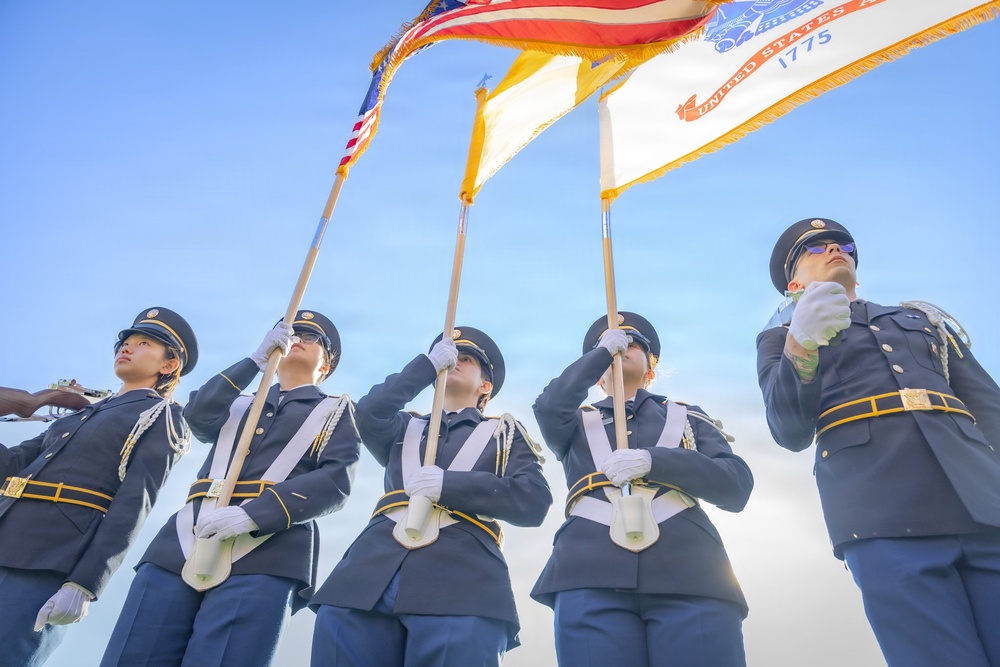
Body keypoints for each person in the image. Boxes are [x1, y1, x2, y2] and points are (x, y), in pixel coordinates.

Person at [756, 217, 1000, 667]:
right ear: (793, 282)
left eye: (842, 244)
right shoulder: (780, 339)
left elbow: (989, 408)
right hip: (882, 510)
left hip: (982, 500)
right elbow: (788, 428)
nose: (834, 249)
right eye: (815, 248)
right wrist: (802, 343)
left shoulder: (920, 319)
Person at [101, 310, 361, 667]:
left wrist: (254, 513)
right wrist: (254, 361)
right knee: (135, 654)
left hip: (268, 550)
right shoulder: (236, 401)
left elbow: (336, 481)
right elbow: (198, 414)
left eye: (310, 336)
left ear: (327, 364)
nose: (297, 336)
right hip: (182, 540)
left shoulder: (335, 411)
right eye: (290, 331)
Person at [310, 326, 552, 667]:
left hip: (461, 581)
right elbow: (367, 413)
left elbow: (534, 502)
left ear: (486, 386)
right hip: (367, 577)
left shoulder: (504, 434)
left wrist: (449, 486)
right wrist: (426, 365)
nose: (456, 362)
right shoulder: (402, 427)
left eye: (466, 359)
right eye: (450, 357)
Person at [530, 312, 752, 666]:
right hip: (588, 571)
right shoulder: (573, 422)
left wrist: (656, 461)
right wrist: (601, 354)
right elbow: (548, 405)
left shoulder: (687, 417)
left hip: (691, 573)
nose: (624, 346)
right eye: (615, 343)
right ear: (597, 376)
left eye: (635, 343)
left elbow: (736, 485)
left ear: (651, 368)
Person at [0, 307, 197, 667]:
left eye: (143, 343)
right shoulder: (82, 414)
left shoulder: (160, 415)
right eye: (125, 341)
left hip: (50, 558)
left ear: (168, 366)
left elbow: (135, 502)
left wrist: (86, 583)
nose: (126, 347)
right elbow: (13, 464)